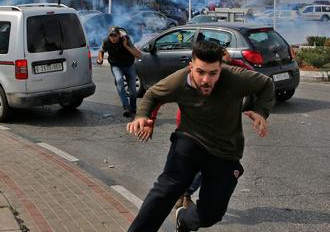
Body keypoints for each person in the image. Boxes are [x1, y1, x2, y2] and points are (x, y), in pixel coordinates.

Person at [126, 40, 273, 232]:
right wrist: (142, 116)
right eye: (200, 72)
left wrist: (261, 111)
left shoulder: (236, 78)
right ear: (191, 67)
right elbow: (153, 94)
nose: (206, 80)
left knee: (212, 214)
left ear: (221, 68)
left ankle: (186, 219)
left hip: (225, 151)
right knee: (166, 189)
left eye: (213, 73)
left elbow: (266, 84)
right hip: (190, 140)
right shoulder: (179, 80)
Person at [96, 26, 143, 117]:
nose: (113, 38)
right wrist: (100, 59)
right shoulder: (106, 41)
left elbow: (139, 55)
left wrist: (126, 46)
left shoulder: (126, 39)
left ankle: (132, 109)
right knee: (119, 81)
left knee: (133, 90)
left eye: (115, 36)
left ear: (119, 35)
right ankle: (126, 106)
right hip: (116, 66)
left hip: (129, 65)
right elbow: (101, 51)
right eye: (111, 36)